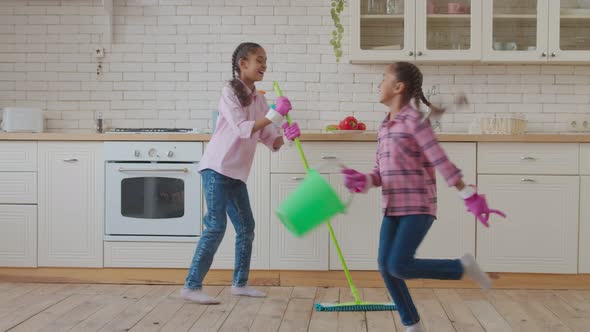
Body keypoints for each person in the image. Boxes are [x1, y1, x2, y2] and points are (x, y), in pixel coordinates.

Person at [342, 62, 503, 332]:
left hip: (418, 205)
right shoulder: (384, 127)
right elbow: (380, 172)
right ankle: (413, 325)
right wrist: (365, 180)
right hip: (392, 207)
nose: (378, 84)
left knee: (399, 265)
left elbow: (439, 159)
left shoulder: (414, 121)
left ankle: (462, 267)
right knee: (385, 266)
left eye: (383, 79)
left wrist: (468, 195)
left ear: (398, 87)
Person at [182, 42, 301, 304]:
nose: (264, 65)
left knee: (246, 227)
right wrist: (275, 115)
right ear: (243, 64)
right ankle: (191, 286)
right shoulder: (229, 92)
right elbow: (242, 128)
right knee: (215, 226)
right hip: (217, 167)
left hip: (236, 174)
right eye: (259, 60)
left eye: (266, 61)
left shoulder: (260, 99)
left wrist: (288, 137)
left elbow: (270, 140)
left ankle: (240, 284)